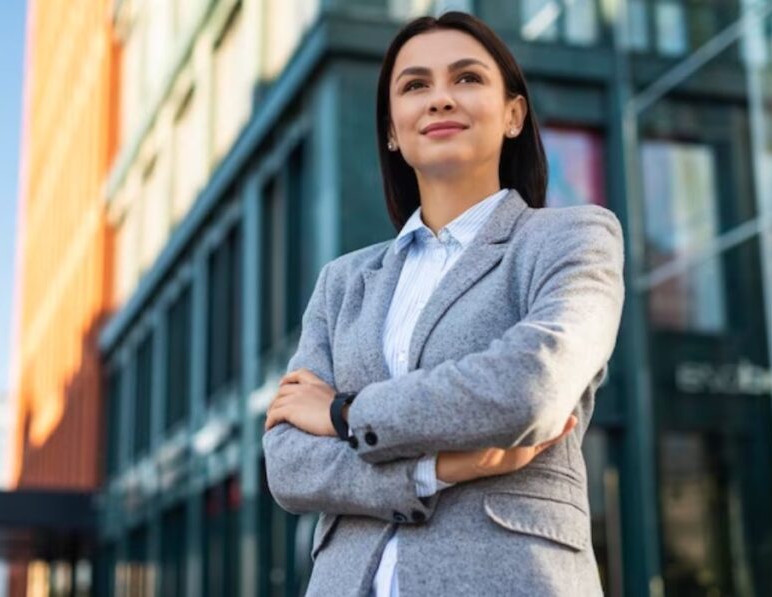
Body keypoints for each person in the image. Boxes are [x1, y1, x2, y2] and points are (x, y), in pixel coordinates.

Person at [262, 11, 624, 596]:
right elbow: (288, 465)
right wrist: (435, 469)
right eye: (415, 86)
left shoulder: (573, 237)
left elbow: (529, 387)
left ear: (513, 115)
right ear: (391, 130)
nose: (439, 100)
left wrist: (344, 414)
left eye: (467, 79)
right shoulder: (343, 281)